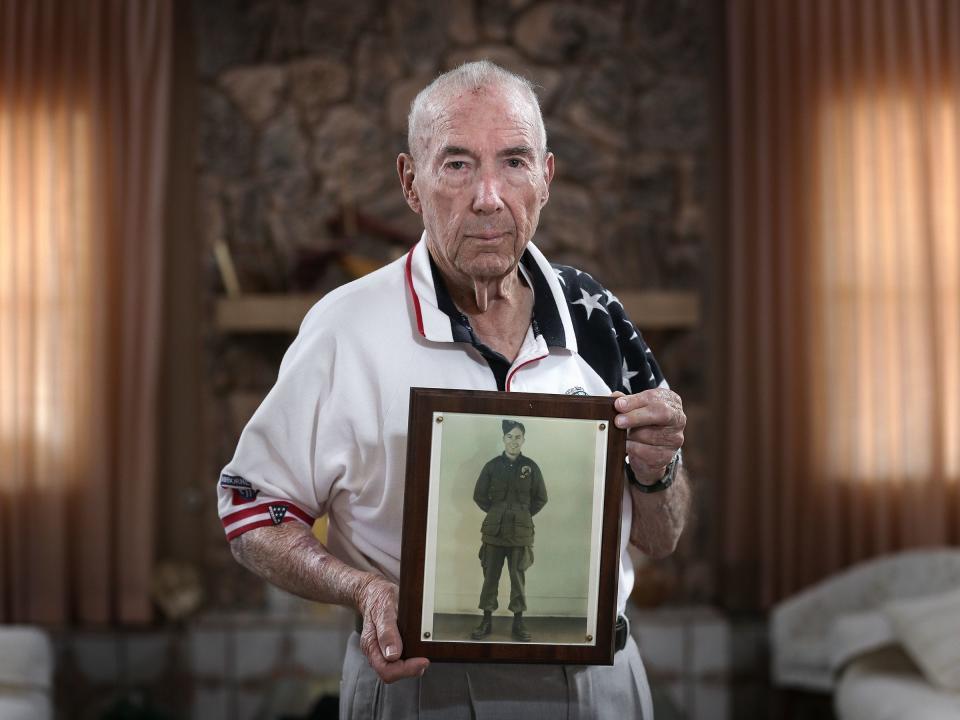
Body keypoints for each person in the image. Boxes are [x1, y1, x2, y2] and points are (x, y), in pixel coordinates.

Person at [218, 60, 690, 719]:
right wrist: (363, 591)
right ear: (411, 183)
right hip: (420, 687)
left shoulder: (597, 315)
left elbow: (661, 536)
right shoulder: (343, 328)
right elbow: (250, 509)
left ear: (546, 178)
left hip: (601, 686)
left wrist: (658, 470)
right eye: (458, 165)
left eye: (514, 162)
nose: (489, 197)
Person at [470, 420, 547, 642]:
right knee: (490, 578)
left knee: (518, 579)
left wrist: (523, 514)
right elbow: (479, 495)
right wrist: (497, 512)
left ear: (523, 440)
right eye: (510, 437)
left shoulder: (530, 467)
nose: (514, 441)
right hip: (494, 533)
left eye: (518, 437)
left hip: (520, 534)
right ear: (504, 439)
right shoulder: (492, 466)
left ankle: (518, 623)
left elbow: (541, 497)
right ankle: (486, 620)